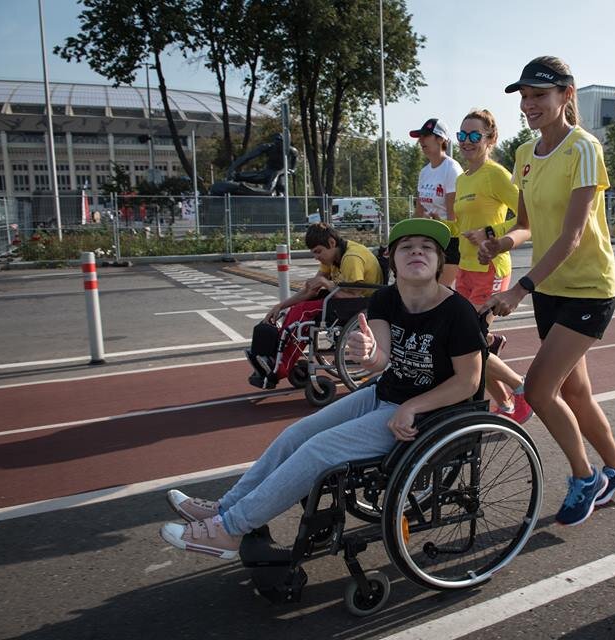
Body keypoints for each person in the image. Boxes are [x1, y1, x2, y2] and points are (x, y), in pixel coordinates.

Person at [160, 218, 486, 559]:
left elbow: (469, 381)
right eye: (407, 246)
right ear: (392, 258)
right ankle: (225, 508)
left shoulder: (457, 312)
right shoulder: (387, 299)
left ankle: (230, 530)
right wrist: (369, 353)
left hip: (428, 414)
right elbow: (380, 359)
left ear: (437, 261)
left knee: (319, 451)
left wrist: (413, 406)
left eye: (427, 247)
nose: (417, 251)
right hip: (384, 394)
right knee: (294, 435)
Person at [480, 57, 615, 527]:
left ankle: (585, 477)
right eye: (525, 97)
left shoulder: (584, 148)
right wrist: (501, 241)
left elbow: (572, 234)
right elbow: (528, 225)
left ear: (566, 95)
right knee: (577, 392)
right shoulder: (526, 155)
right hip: (550, 289)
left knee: (540, 390)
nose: (530, 105)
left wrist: (520, 290)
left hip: (588, 289)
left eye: (539, 95)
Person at [454, 108, 532, 423]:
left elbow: (525, 218)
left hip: (491, 268)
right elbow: (459, 224)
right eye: (462, 135)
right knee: (466, 341)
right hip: (464, 269)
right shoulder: (462, 180)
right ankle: (508, 404)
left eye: (475, 136)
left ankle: (520, 387)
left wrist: (491, 234)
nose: (467, 142)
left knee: (467, 341)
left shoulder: (496, 174)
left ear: (490, 139)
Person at [246, 223, 382, 382]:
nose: (316, 257)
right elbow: (310, 290)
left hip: (363, 304)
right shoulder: (331, 256)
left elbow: (353, 295)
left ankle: (280, 365)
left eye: (318, 252)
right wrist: (281, 306)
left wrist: (325, 283)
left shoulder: (352, 258)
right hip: (345, 300)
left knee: (303, 312)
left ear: (331, 243)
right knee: (297, 310)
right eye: (313, 253)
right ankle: (275, 357)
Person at [411, 118, 463, 288]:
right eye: (420, 137)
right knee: (425, 290)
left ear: (441, 139)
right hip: (429, 238)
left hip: (449, 240)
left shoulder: (452, 169)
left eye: (426, 136)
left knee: (439, 291)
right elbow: (419, 211)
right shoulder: (424, 172)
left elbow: (453, 216)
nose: (421, 141)